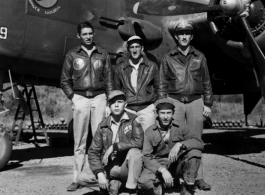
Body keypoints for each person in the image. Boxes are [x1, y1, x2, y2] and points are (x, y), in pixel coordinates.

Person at [158, 18, 213, 190]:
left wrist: (208, 104)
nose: (184, 36)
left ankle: (198, 177)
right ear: (176, 37)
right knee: (175, 140)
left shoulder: (200, 57)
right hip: (175, 102)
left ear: (191, 37)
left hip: (196, 101)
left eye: (187, 33)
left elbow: (207, 82)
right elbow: (162, 84)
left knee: (196, 139)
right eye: (180, 33)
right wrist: (163, 105)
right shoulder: (168, 58)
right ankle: (176, 176)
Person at [60, 21, 113, 191]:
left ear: (93, 34)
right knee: (80, 141)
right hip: (81, 98)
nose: (88, 37)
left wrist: (109, 101)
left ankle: (102, 175)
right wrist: (73, 97)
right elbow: (64, 80)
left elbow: (109, 81)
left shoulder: (103, 54)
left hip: (99, 98)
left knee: (101, 139)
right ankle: (77, 178)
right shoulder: (72, 55)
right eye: (85, 34)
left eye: (90, 33)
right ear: (79, 36)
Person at [78, 90, 143, 195]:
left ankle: (132, 189)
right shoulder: (103, 125)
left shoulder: (133, 120)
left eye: (120, 102)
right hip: (109, 168)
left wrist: (115, 146)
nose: (116, 105)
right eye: (113, 102)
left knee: (135, 152)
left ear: (125, 104)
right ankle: (112, 183)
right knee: (81, 178)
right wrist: (99, 173)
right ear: (108, 105)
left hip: (126, 167)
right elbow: (93, 152)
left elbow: (139, 142)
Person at [138, 98, 204, 195]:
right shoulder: (150, 131)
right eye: (162, 113)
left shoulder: (181, 126)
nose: (165, 117)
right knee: (143, 181)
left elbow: (199, 142)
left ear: (173, 113)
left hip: (177, 163)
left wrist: (180, 144)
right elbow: (146, 156)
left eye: (168, 113)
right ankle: (161, 183)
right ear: (157, 113)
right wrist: (162, 170)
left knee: (195, 153)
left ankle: (187, 186)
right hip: (159, 164)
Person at [115, 35, 159, 131]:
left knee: (148, 140)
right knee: (128, 140)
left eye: (137, 47)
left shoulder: (152, 66)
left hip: (146, 109)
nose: (134, 50)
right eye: (132, 47)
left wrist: (155, 105)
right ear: (128, 49)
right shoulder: (120, 68)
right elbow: (117, 89)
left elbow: (159, 87)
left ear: (142, 48)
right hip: (128, 109)